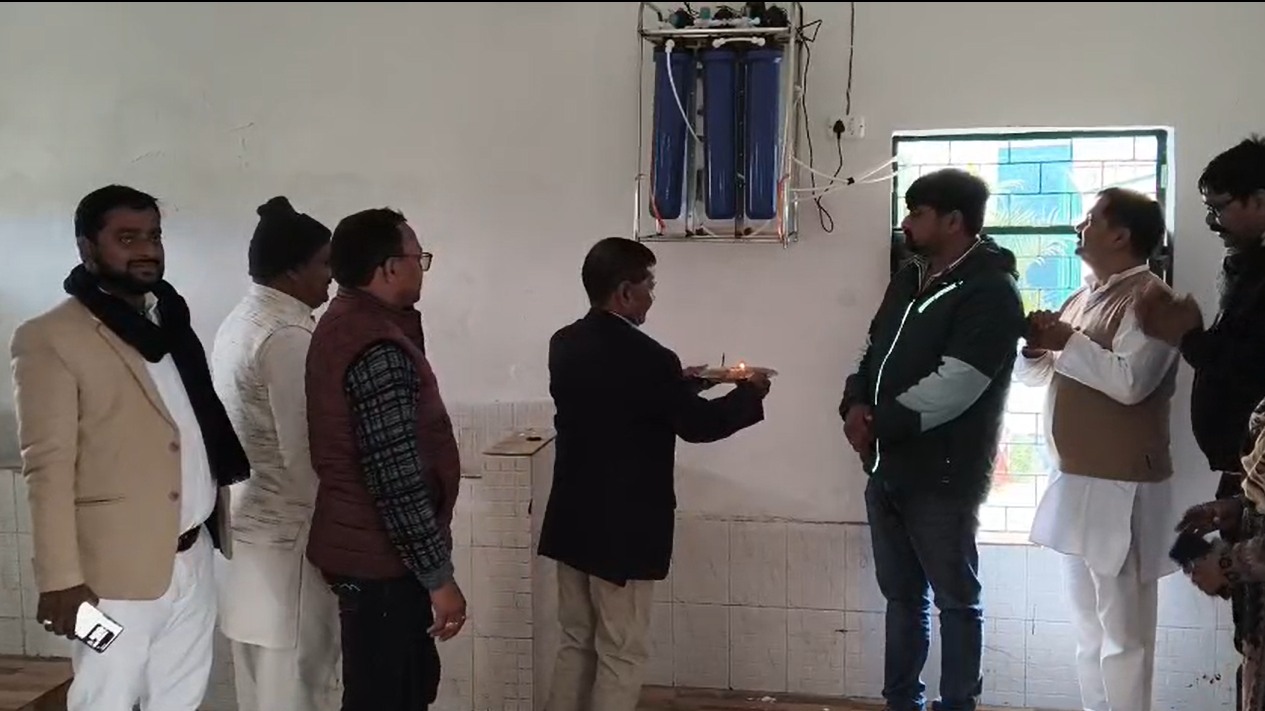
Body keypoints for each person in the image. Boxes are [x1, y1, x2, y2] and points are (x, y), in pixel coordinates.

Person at [10, 185, 250, 710]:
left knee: (181, 697)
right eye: (127, 238)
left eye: (154, 236)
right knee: (105, 697)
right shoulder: (50, 337)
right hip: (110, 581)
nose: (147, 250)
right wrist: (60, 582)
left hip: (193, 559)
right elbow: (46, 469)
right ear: (87, 248)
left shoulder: (170, 324)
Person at [537, 236, 770, 711]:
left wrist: (687, 382)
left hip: (572, 519)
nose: (653, 296)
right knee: (621, 651)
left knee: (576, 642)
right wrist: (751, 393)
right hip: (622, 530)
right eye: (649, 285)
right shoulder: (648, 358)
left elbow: (622, 399)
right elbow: (698, 426)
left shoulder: (564, 343)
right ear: (625, 292)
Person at [839, 168, 1026, 711]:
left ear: (953, 221)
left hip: (943, 474)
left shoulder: (990, 291)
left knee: (956, 602)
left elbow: (958, 384)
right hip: (887, 467)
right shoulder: (910, 277)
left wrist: (880, 422)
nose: (906, 223)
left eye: (917, 213)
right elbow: (871, 349)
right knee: (902, 599)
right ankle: (902, 702)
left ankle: (958, 703)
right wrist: (853, 403)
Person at [1018, 188, 1177, 711]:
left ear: (1121, 235)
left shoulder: (1153, 300)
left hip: (1123, 485)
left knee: (1124, 633)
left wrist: (1069, 341)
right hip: (1076, 479)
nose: (1078, 227)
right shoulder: (1082, 297)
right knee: (1088, 627)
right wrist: (1037, 347)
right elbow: (1038, 376)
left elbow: (1131, 384)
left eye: (1090, 219)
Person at [304, 207, 466, 711]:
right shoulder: (376, 346)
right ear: (391, 267)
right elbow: (397, 479)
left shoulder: (350, 323)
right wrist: (439, 579)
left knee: (394, 689)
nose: (423, 268)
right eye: (419, 258)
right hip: (381, 565)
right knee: (390, 694)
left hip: (369, 555)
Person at [1137, 135, 1265, 708]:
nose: (1213, 222)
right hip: (1245, 478)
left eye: (1221, 207)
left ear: (1260, 198)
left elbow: (1245, 365)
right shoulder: (1248, 267)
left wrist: (1187, 337)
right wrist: (1235, 506)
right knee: (1250, 642)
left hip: (1250, 481)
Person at [210, 197, 340, 711]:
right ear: (292, 270)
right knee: (298, 688)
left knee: (260, 689)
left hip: (245, 536)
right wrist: (336, 537)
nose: (331, 276)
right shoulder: (287, 336)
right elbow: (304, 453)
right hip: (290, 545)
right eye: (324, 263)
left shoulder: (238, 321)